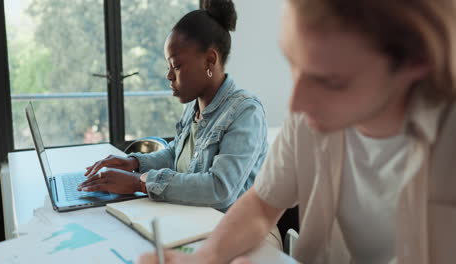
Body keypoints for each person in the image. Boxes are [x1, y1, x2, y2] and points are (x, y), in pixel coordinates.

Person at [139, 0, 456, 263]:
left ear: (414, 65)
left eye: (330, 80)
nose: (297, 103)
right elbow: (262, 206)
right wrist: (202, 259)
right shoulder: (311, 118)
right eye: (292, 61)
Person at [78, 0, 269, 214]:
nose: (169, 76)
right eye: (168, 66)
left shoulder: (246, 112)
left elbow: (220, 190)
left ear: (209, 60)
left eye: (176, 66)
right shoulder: (194, 106)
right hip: (192, 222)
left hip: (238, 231)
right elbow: (174, 156)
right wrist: (133, 164)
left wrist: (138, 183)